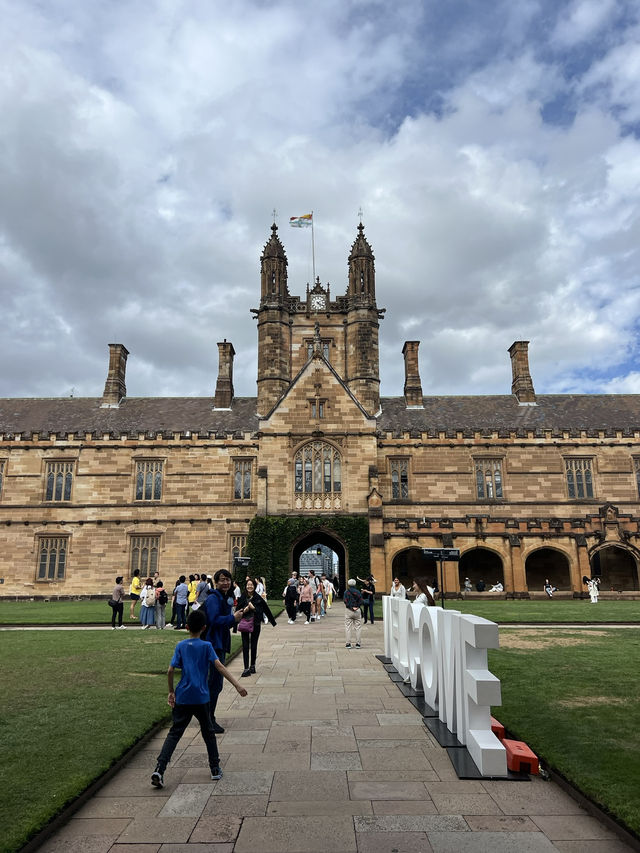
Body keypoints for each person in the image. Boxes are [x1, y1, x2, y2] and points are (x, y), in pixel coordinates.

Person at [151, 609, 247, 789]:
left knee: (175, 733)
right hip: (201, 697)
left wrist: (171, 691)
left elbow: (170, 670)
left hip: (183, 696)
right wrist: (237, 685)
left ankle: (159, 769)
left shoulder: (181, 646)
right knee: (208, 733)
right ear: (204, 628)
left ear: (187, 627)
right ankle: (215, 768)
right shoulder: (206, 646)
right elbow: (219, 667)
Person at [204, 568, 245, 733]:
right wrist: (232, 618)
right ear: (216, 582)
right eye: (222, 580)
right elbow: (213, 620)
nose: (226, 582)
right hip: (213, 643)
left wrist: (234, 618)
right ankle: (208, 720)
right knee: (214, 683)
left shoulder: (224, 597)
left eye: (228, 579)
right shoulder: (213, 598)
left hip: (219, 642)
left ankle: (207, 717)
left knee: (215, 683)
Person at [235, 577, 277, 676]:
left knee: (254, 645)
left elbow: (264, 610)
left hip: (255, 623)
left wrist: (254, 608)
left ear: (254, 586)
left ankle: (252, 665)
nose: (249, 587)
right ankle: (246, 668)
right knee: (245, 645)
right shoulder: (242, 597)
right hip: (245, 623)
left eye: (251, 585)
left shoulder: (258, 598)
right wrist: (244, 610)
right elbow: (237, 611)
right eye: (248, 585)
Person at [344, 578, 363, 648]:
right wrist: (357, 607)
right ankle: (358, 643)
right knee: (358, 627)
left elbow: (345, 601)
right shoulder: (358, 592)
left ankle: (348, 643)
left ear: (348, 584)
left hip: (349, 610)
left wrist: (351, 607)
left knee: (348, 627)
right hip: (357, 610)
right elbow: (361, 601)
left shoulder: (346, 592)